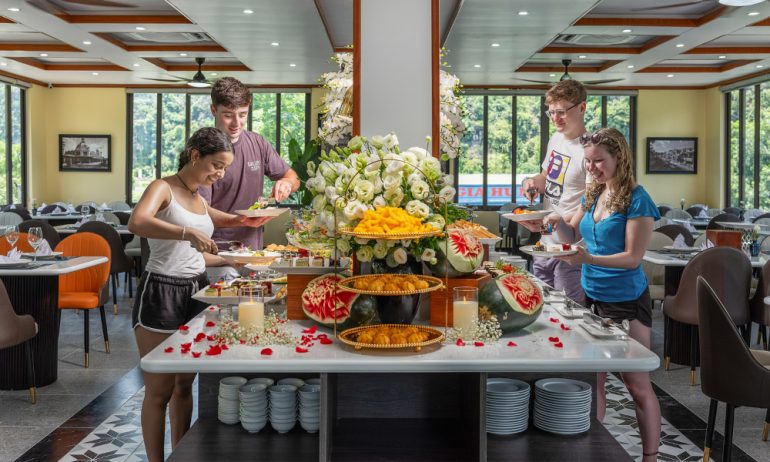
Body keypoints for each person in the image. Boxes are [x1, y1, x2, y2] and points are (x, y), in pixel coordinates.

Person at [128, 127, 268, 462]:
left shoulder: (199, 199)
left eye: (224, 168)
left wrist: (240, 253)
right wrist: (185, 232)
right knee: (159, 391)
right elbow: (137, 221)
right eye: (216, 165)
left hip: (196, 290)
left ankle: (179, 454)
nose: (219, 174)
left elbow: (201, 249)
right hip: (161, 291)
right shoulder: (163, 188)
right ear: (195, 155)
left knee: (184, 385)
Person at [546, 127, 661, 461]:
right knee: (592, 379)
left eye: (599, 161)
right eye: (588, 161)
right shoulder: (593, 193)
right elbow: (570, 231)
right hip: (591, 296)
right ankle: (591, 451)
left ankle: (650, 457)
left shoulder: (638, 199)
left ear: (619, 158)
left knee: (636, 384)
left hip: (626, 301)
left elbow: (632, 258)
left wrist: (589, 258)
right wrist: (552, 222)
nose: (592, 168)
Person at [198, 77, 300, 254]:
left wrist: (287, 184)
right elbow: (200, 212)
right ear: (213, 110)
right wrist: (241, 220)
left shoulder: (258, 143)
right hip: (216, 251)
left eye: (243, 114)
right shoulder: (201, 151)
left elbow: (293, 177)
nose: (237, 123)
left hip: (254, 250)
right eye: (228, 115)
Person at [519, 79, 590, 305]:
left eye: (561, 112)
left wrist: (562, 225)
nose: (555, 119)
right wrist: (531, 183)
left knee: (568, 312)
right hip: (546, 242)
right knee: (543, 308)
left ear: (581, 108)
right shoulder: (556, 138)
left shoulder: (589, 148)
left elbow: (590, 200)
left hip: (571, 248)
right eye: (551, 112)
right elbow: (545, 176)